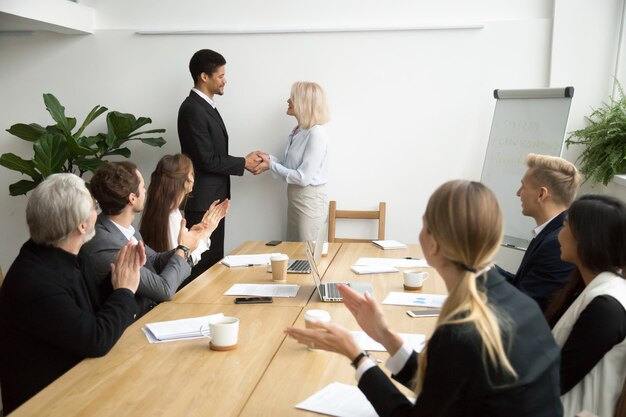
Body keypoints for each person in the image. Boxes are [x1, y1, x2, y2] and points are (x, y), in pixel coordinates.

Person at [285, 180, 563, 416]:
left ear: (434, 243)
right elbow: (444, 387)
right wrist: (384, 335)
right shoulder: (519, 304)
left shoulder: (462, 331)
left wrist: (356, 356)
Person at [0, 173, 144, 414]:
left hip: (83, 383)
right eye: (95, 206)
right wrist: (124, 290)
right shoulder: (34, 281)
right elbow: (95, 339)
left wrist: (119, 277)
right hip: (49, 404)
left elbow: (91, 310)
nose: (98, 213)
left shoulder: (70, 256)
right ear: (82, 225)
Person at [80, 161, 205, 315]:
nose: (146, 192)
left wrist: (188, 244)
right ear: (133, 198)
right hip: (132, 328)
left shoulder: (124, 228)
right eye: (143, 187)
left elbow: (154, 261)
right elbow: (163, 289)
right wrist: (183, 249)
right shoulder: (104, 244)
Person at [178, 48, 263, 273]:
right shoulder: (193, 109)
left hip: (212, 200)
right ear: (204, 77)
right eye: (221, 76)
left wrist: (243, 163)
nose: (225, 80)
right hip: (202, 202)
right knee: (202, 267)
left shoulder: (205, 106)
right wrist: (242, 163)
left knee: (213, 263)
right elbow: (206, 160)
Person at [545, 195, 626, 417]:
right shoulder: (587, 287)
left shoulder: (607, 306)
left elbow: (555, 381)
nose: (559, 235)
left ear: (588, 238)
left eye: (564, 226)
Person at [496, 153, 581, 311]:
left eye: (523, 186)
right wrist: (481, 267)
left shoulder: (558, 243)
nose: (518, 193)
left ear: (542, 194)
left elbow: (522, 305)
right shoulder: (551, 232)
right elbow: (521, 284)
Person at [254, 81, 330, 242]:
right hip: (295, 198)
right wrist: (270, 160)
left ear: (305, 103)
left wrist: (272, 165)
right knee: (294, 249)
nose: (288, 101)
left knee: (306, 252)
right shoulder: (298, 130)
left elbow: (303, 178)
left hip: (310, 201)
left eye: (293, 98)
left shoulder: (317, 133)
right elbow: (291, 168)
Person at [139, 153, 229, 285]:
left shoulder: (161, 211)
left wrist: (197, 234)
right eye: (192, 173)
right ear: (188, 180)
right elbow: (180, 262)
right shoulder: (171, 216)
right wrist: (204, 236)